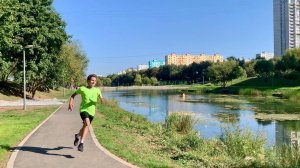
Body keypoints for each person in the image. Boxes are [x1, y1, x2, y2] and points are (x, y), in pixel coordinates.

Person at [68, 74, 103, 152]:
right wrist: (70, 102)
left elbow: (101, 99)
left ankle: (77, 136)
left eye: (95, 80)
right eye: (92, 80)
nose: (94, 82)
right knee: (87, 123)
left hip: (92, 112)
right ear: (88, 81)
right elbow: (73, 95)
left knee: (85, 126)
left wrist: (101, 100)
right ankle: (82, 143)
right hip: (83, 110)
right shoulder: (83, 89)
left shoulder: (97, 90)